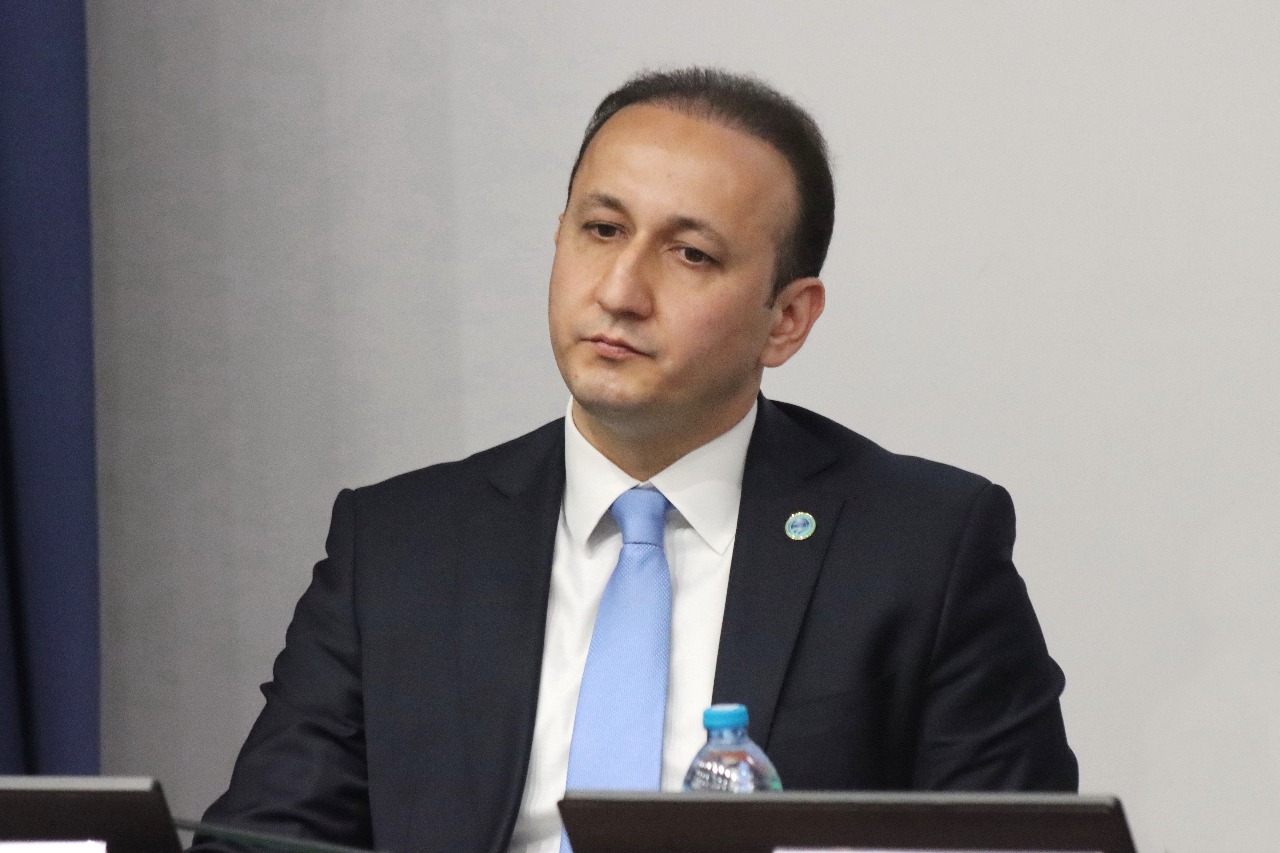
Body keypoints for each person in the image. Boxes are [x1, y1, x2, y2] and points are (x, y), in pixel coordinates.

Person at [195, 67, 1076, 853]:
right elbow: (264, 840)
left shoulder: (921, 547)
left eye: (691, 253)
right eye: (602, 229)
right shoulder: (399, 545)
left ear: (786, 320)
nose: (619, 291)